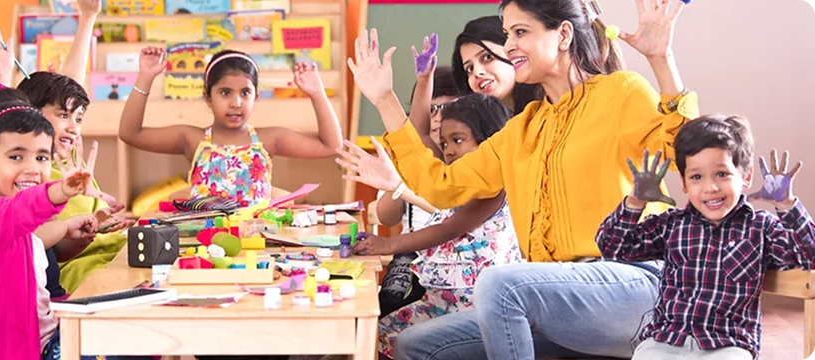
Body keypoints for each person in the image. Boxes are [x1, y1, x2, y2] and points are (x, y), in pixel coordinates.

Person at [340, 0, 699, 357]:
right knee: (417, 344)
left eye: (520, 31)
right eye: (507, 33)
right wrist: (385, 99)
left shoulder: (621, 91)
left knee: (500, 282)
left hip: (634, 282)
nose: (509, 44)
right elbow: (441, 185)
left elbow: (685, 153)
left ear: (563, 34)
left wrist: (660, 60)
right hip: (550, 293)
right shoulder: (523, 128)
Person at [597, 115, 815, 360]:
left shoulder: (761, 228)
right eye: (697, 177)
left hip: (727, 345)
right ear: (683, 182)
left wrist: (787, 205)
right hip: (665, 341)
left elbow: (809, 256)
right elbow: (613, 248)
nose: (710, 187)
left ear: (746, 176)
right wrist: (635, 201)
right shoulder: (671, 224)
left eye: (721, 174)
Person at [0, 99, 146, 360]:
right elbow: (24, 208)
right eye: (16, 157)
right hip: (31, 352)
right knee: (138, 342)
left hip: (52, 334)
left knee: (142, 331)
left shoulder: (15, 225)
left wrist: (71, 229)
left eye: (41, 157)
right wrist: (62, 190)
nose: (33, 169)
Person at [347, 93, 524, 358]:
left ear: (490, 141)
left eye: (458, 140)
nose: (449, 150)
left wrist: (388, 243)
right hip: (444, 298)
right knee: (376, 333)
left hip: (473, 305)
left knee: (384, 337)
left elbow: (448, 229)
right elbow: (420, 139)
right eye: (445, 142)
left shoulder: (493, 189)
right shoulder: (458, 185)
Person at [119, 47, 343, 206]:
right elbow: (130, 134)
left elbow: (332, 146)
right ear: (208, 97)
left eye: (245, 93)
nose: (236, 103)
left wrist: (317, 93)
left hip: (258, 243)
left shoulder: (269, 139)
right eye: (225, 92)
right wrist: (145, 77)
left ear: (256, 96)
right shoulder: (192, 139)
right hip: (203, 243)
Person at [374, 66, 457, 318]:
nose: (438, 119)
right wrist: (397, 180)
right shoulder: (408, 155)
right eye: (431, 109)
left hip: (459, 252)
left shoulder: (471, 157)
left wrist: (400, 186)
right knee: (391, 301)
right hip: (412, 249)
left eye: (450, 109)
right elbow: (386, 217)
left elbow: (454, 217)